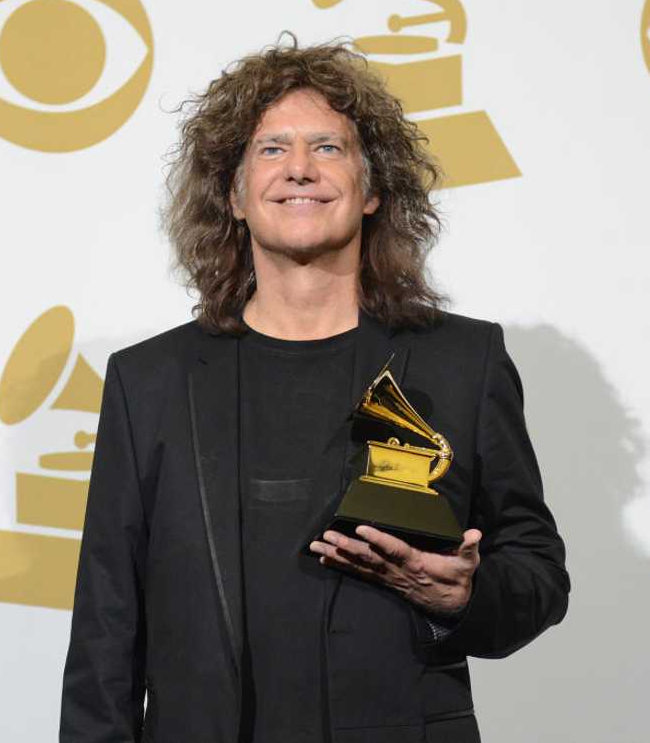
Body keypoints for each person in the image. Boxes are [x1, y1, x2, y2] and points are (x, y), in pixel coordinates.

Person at [60, 39, 569, 743]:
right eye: (271, 150)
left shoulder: (463, 362)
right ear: (233, 195)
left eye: (328, 147)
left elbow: (539, 575)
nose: (299, 167)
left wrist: (463, 595)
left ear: (373, 189)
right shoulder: (149, 382)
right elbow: (105, 632)